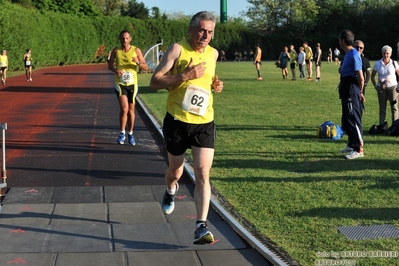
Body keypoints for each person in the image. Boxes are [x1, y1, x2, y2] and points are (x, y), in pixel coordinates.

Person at [149, 11, 223, 245]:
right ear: (191, 30)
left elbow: (209, 79)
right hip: (178, 121)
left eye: (210, 31)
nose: (206, 35)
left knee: (202, 172)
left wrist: (216, 84)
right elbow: (154, 81)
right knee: (176, 171)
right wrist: (183, 75)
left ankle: (201, 227)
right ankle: (171, 190)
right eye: (202, 30)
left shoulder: (214, 53)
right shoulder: (177, 49)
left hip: (204, 122)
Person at [108, 30, 148, 145]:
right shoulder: (116, 50)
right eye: (122, 38)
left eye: (126, 38)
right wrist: (116, 70)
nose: (124, 41)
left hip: (132, 84)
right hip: (120, 83)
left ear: (130, 39)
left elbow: (146, 67)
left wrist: (138, 62)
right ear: (120, 39)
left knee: (131, 111)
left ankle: (130, 133)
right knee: (124, 109)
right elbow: (110, 65)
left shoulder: (136, 50)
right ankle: (122, 133)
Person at [338, 29, 365, 160]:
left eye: (339, 39)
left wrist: (360, 92)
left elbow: (361, 77)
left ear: (343, 41)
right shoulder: (347, 54)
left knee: (353, 118)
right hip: (345, 88)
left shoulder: (354, 54)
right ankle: (351, 143)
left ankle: (358, 148)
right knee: (346, 118)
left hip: (352, 89)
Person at [370, 45, 399, 126]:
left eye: (387, 53)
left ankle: (395, 126)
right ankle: (382, 126)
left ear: (390, 54)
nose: (385, 55)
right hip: (381, 88)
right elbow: (372, 76)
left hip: (393, 87)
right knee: (382, 108)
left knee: (394, 107)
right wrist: (376, 86)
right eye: (384, 53)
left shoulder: (394, 63)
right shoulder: (378, 63)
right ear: (382, 54)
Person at [354, 40, 371, 116]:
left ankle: (358, 121)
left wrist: (365, 83)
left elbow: (368, 74)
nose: (359, 49)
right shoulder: (348, 57)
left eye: (361, 48)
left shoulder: (365, 60)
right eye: (357, 47)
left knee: (359, 104)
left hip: (360, 85)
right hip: (350, 85)